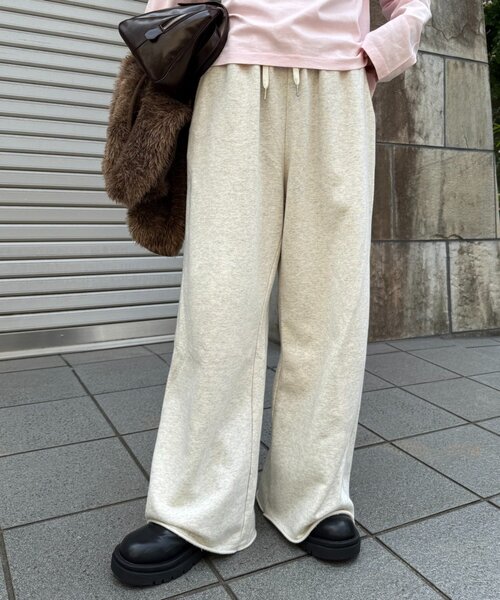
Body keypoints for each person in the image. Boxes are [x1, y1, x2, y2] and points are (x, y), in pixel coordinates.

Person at [111, 0, 432, 587]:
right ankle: (195, 507)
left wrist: (378, 53)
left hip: (338, 86)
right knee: (217, 305)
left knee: (330, 307)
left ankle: (312, 494)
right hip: (231, 78)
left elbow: (411, 5)